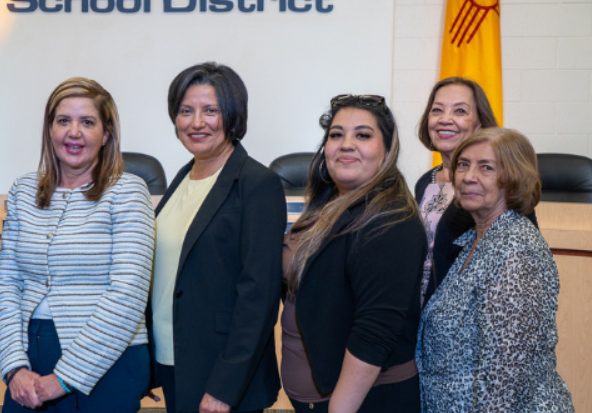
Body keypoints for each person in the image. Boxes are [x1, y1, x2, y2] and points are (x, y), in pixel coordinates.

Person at [0, 77, 155, 413]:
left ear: (106, 133)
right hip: (30, 358)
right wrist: (13, 366)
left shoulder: (128, 191)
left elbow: (128, 293)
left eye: (87, 122)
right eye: (63, 120)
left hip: (108, 360)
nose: (74, 132)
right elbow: (7, 281)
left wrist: (65, 377)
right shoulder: (23, 191)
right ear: (49, 129)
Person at [150, 62, 286, 413]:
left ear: (233, 114)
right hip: (173, 359)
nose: (197, 123)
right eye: (185, 111)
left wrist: (225, 388)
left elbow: (259, 295)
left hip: (222, 374)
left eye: (210, 110)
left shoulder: (257, 184)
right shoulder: (183, 177)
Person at [280, 94, 426, 413]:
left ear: (387, 150)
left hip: (366, 401)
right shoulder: (328, 204)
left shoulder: (390, 220)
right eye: (336, 135)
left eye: (363, 135)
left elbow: (374, 334)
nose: (346, 144)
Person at [417, 128, 574, 412]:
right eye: (463, 164)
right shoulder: (474, 241)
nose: (467, 176)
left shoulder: (515, 251)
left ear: (513, 179)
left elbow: (504, 382)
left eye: (486, 167)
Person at [414, 77, 498, 305]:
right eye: (437, 110)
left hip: (467, 320)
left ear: (480, 124)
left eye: (460, 111)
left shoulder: (494, 184)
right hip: (422, 314)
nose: (445, 119)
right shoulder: (426, 181)